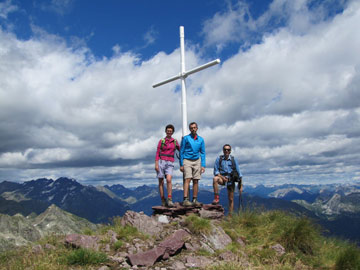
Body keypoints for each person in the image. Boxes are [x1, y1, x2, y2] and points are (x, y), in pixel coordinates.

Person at [180, 122, 206, 207]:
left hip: (197, 161)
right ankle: (185, 199)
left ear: (197, 128)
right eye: (191, 128)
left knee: (196, 180)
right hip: (187, 160)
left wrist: (203, 165)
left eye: (194, 127)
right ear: (189, 129)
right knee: (187, 179)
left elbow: (202, 153)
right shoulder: (186, 138)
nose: (193, 129)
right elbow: (181, 151)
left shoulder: (201, 139)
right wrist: (181, 164)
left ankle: (194, 199)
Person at [212, 144, 243, 213]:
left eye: (228, 150)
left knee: (231, 199)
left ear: (230, 151)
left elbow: (239, 172)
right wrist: (222, 177)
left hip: (231, 180)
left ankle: (230, 216)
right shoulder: (219, 159)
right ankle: (216, 198)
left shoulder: (233, 159)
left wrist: (241, 185)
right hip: (222, 178)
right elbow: (216, 171)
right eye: (225, 149)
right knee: (215, 179)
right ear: (223, 150)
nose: (226, 151)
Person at [155, 124, 180, 207]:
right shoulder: (162, 141)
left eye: (171, 131)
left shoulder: (175, 142)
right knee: (161, 181)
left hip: (170, 162)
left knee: (169, 179)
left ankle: (169, 199)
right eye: (168, 131)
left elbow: (181, 150)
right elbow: (158, 153)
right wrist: (156, 164)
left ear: (172, 132)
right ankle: (163, 200)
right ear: (166, 131)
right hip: (161, 162)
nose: (169, 132)